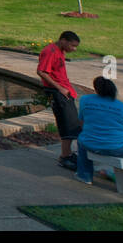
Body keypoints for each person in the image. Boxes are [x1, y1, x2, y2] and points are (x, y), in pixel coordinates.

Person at [75, 76, 123, 184]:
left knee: (82, 138)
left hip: (90, 144)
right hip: (117, 148)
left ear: (96, 89)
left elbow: (81, 123)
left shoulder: (85, 100)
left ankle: (84, 176)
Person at [38, 31, 82, 170]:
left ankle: (68, 154)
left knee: (72, 123)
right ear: (63, 40)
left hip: (64, 91)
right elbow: (41, 72)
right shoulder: (50, 52)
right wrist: (60, 88)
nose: (73, 49)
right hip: (57, 92)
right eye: (72, 46)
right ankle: (65, 157)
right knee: (67, 124)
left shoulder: (59, 50)